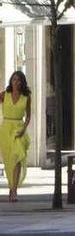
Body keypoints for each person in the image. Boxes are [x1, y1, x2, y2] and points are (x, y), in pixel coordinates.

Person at [0, 71, 32, 202]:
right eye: (14, 79)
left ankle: (14, 191)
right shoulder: (4, 95)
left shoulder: (26, 97)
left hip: (19, 129)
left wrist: (23, 129)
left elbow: (28, 116)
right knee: (9, 162)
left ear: (22, 82)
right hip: (5, 129)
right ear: (10, 81)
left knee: (18, 158)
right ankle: (11, 186)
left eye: (18, 80)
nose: (16, 82)